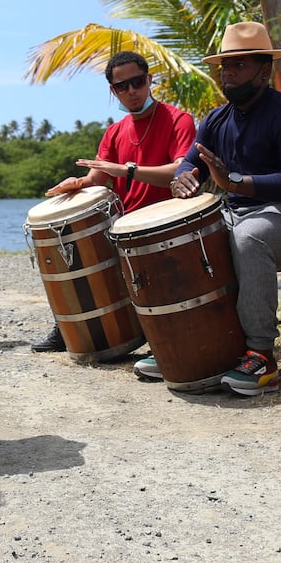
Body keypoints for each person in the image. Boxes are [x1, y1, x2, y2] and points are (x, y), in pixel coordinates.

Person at [169, 22, 281, 395]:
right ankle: (196, 346)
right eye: (225, 65)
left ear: (264, 69)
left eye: (239, 64)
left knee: (248, 239)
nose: (229, 72)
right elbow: (190, 162)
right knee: (185, 238)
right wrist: (184, 177)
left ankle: (261, 354)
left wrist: (237, 183)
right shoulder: (216, 119)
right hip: (237, 213)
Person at [32, 50, 196, 354]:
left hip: (167, 223)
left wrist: (127, 170)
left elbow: (179, 171)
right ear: (113, 91)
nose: (131, 92)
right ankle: (70, 327)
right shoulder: (114, 132)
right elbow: (97, 177)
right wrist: (77, 183)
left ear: (149, 80)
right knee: (71, 247)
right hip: (123, 224)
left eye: (137, 83)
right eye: (122, 87)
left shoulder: (178, 120)